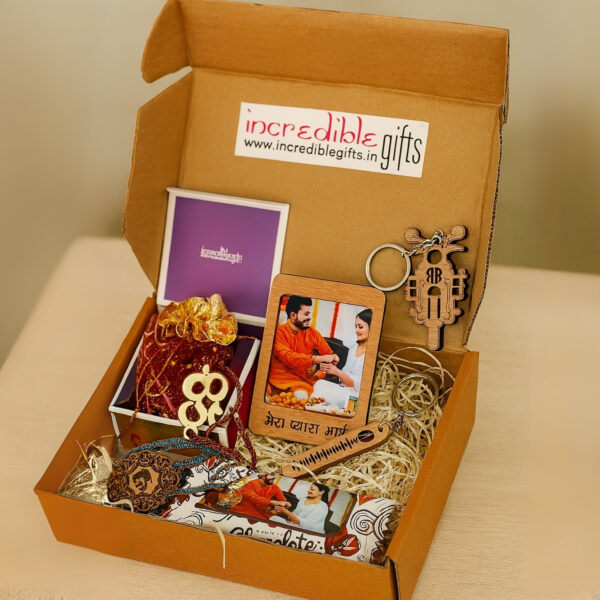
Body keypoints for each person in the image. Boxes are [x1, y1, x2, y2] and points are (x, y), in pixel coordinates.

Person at [267, 296, 339, 398]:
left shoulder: (312, 332)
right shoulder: (279, 332)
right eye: (306, 314)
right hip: (276, 379)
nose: (309, 318)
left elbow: (329, 355)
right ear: (293, 315)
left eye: (310, 313)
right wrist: (317, 359)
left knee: (303, 396)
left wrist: (318, 374)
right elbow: (289, 358)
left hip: (302, 382)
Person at [310, 308, 372, 410]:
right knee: (319, 384)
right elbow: (344, 375)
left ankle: (319, 407)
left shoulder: (371, 355)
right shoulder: (353, 348)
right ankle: (317, 407)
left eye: (360, 327)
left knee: (322, 393)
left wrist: (337, 372)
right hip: (344, 390)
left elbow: (357, 385)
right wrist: (334, 367)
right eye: (356, 327)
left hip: (357, 398)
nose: (356, 330)